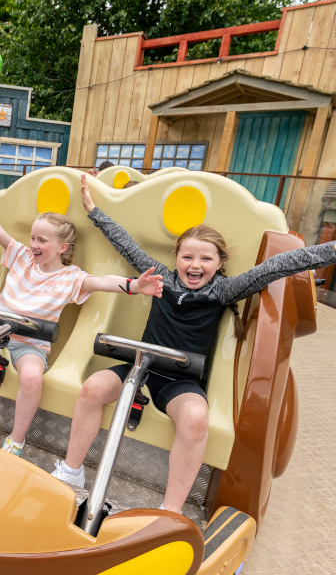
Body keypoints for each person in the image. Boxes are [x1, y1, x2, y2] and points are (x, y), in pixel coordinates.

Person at [52, 172, 336, 512]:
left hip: (181, 379)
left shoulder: (224, 290)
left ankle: (170, 510)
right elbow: (125, 243)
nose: (195, 265)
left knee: (195, 418)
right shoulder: (160, 278)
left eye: (205, 259)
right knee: (92, 388)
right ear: (176, 259)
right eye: (188, 257)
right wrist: (94, 211)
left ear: (218, 264)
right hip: (142, 365)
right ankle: (71, 471)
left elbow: (277, 266)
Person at [0, 169, 165, 456]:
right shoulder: (20, 256)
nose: (33, 245)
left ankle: (16, 440)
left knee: (32, 377)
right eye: (33, 238)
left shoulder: (70, 277)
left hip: (29, 343)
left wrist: (136, 285)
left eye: (42, 241)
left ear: (62, 247)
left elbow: (103, 282)